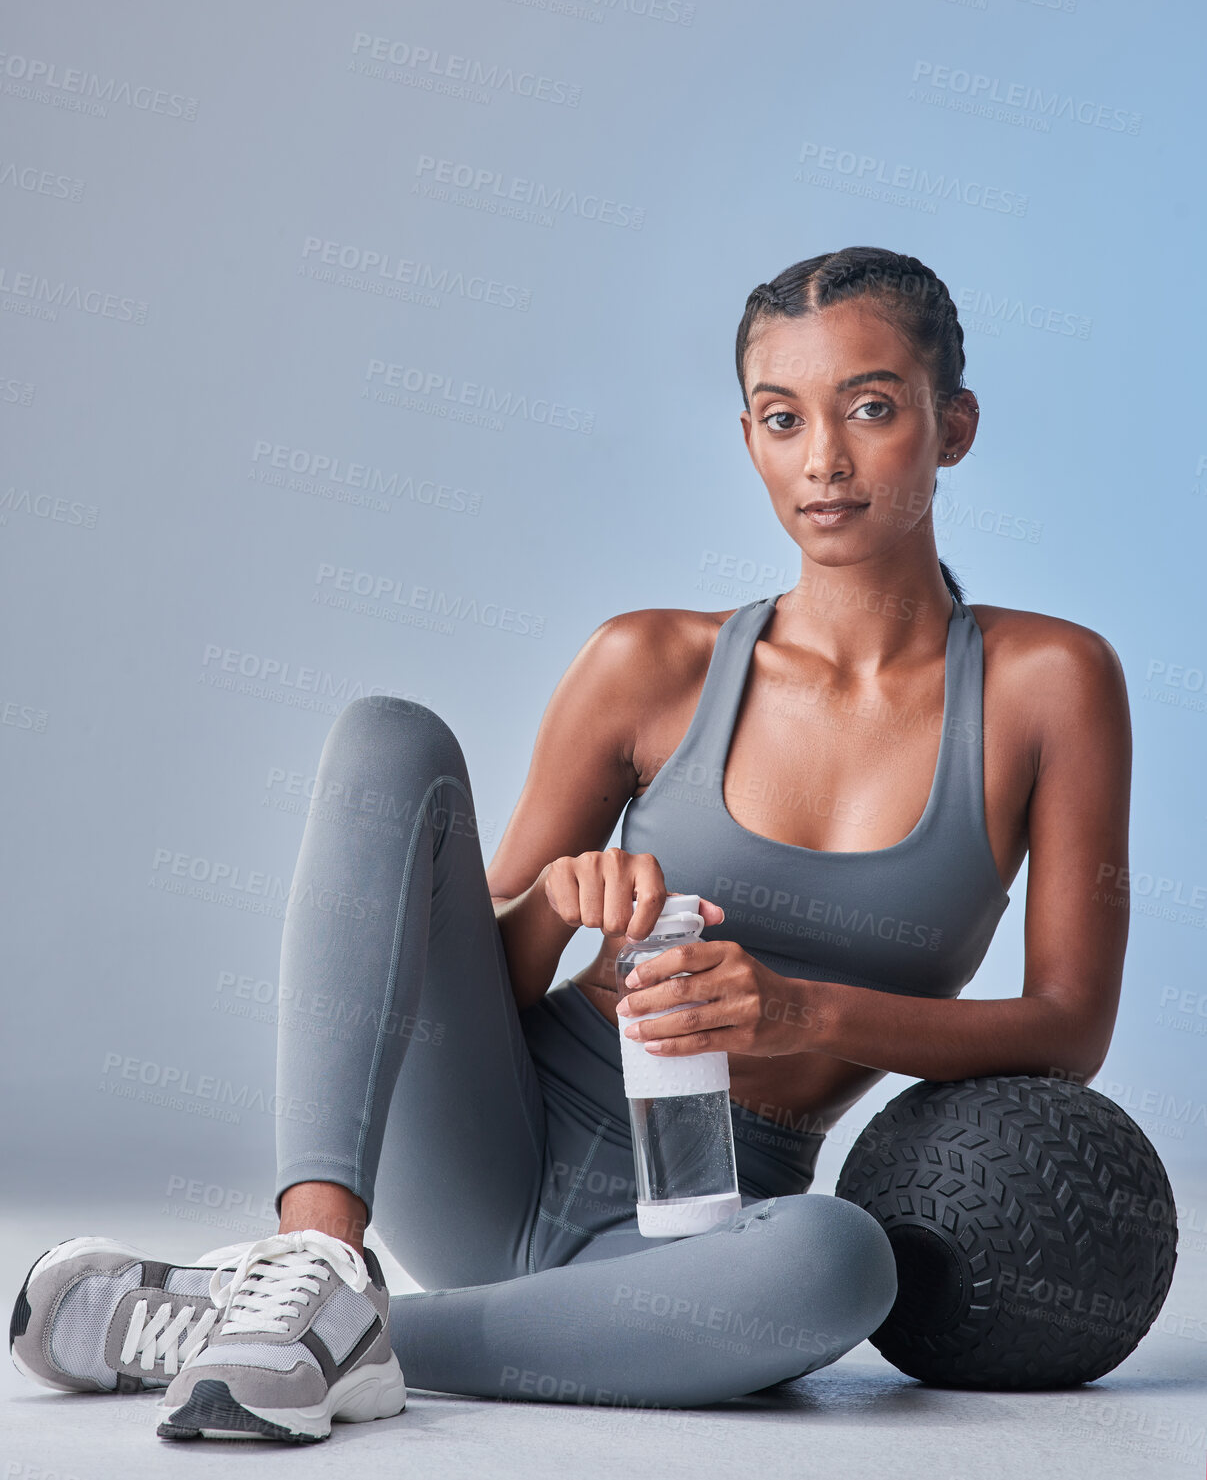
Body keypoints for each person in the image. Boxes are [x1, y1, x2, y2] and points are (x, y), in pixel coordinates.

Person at [11, 247, 1131, 1444]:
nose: (825, 460)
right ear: (746, 435)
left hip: (701, 1222)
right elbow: (441, 980)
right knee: (388, 739)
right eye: (779, 417)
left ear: (949, 425)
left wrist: (799, 1013)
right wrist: (557, 906)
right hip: (491, 1139)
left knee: (842, 1265)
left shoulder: (1047, 685)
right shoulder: (649, 665)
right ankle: (320, 1260)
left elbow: (1067, 1026)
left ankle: (284, 1332)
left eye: (870, 407)